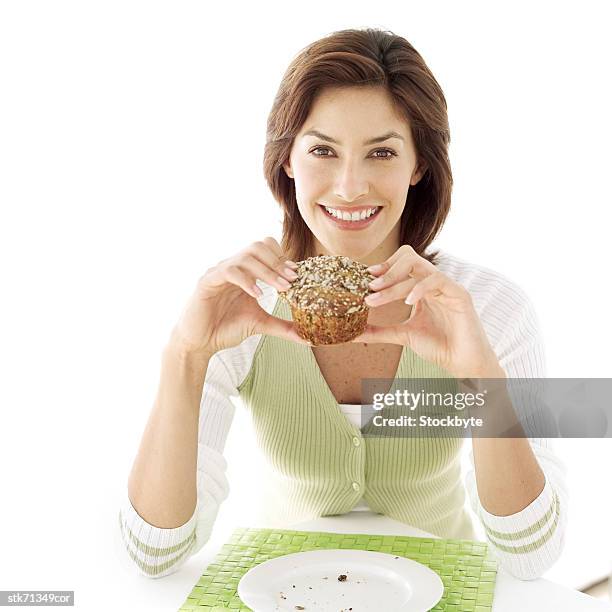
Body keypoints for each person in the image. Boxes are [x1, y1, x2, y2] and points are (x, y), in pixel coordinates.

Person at [118, 27, 567, 581]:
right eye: (322, 150)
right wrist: (185, 356)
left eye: (381, 152)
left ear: (419, 165)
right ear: (286, 160)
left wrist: (480, 376)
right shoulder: (242, 303)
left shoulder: (492, 308)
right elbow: (153, 555)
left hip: (445, 592)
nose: (350, 186)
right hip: (279, 589)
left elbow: (530, 557)